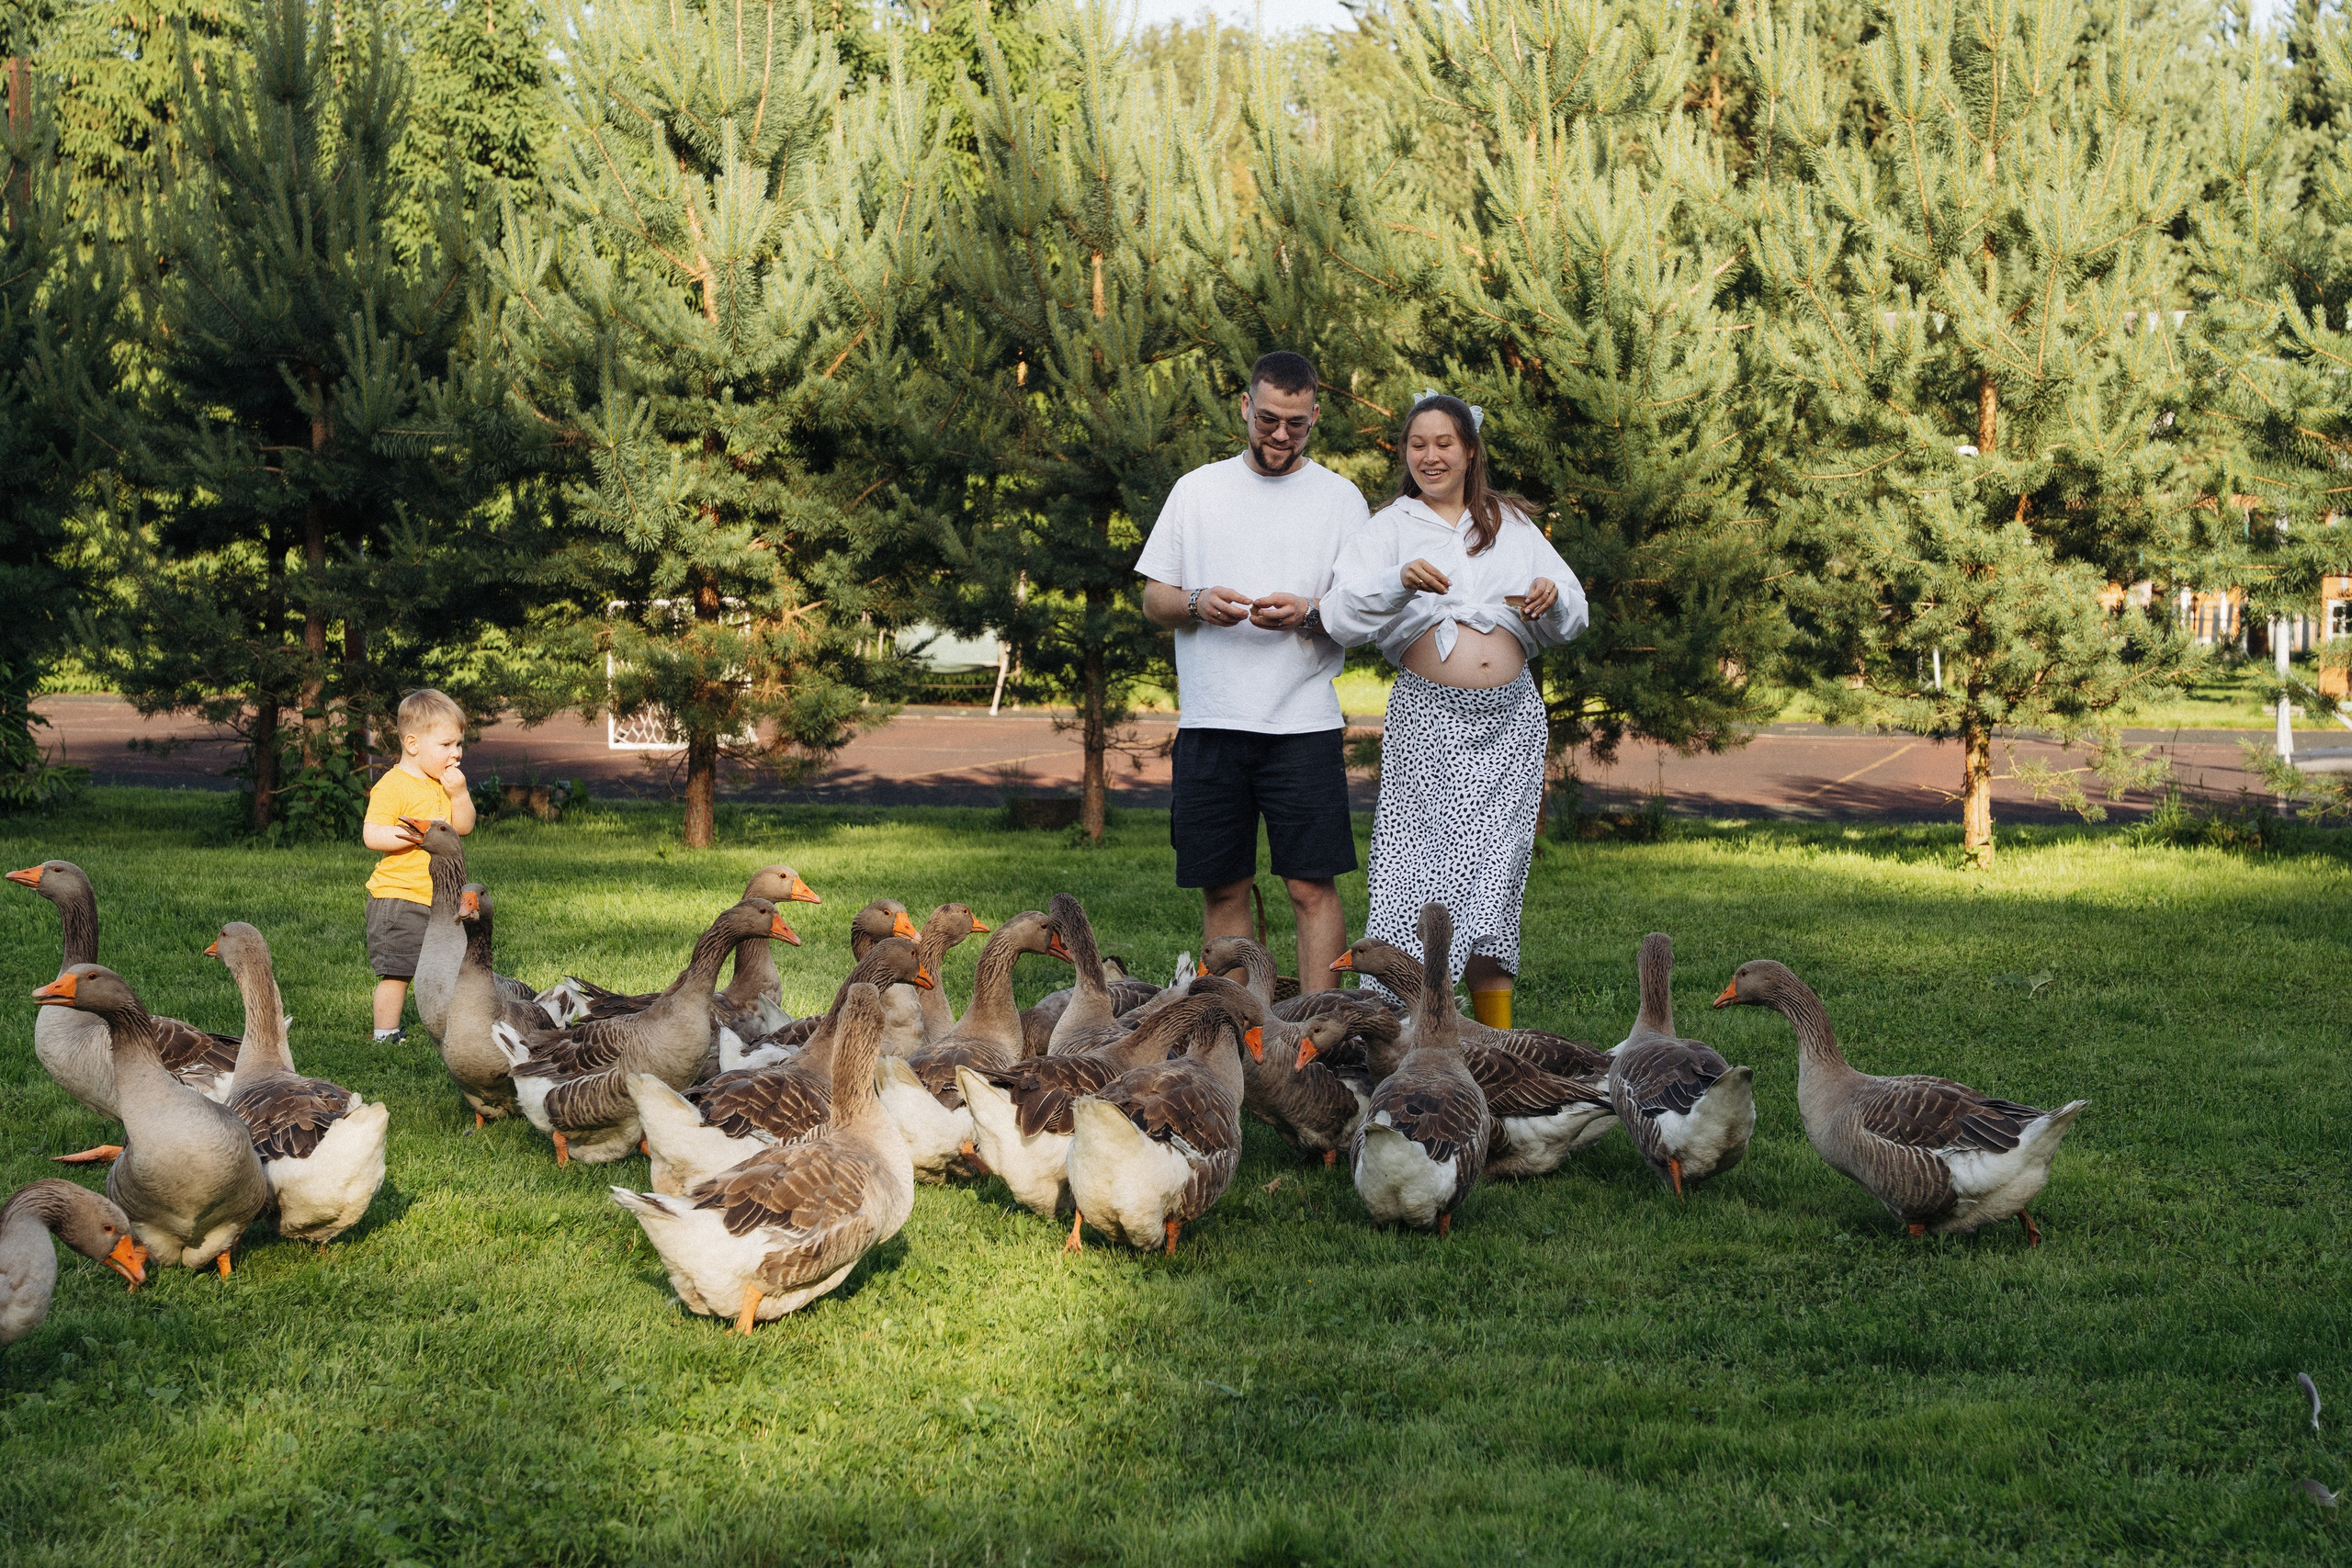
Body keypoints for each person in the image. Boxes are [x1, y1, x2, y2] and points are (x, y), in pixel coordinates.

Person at [1322, 392, 1588, 1029]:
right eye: (1419, 444)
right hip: (1430, 725)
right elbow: (1337, 616)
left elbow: (1573, 616)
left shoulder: (1510, 525)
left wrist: (1551, 599)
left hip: (1509, 728)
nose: (1431, 455)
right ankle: (1407, 1034)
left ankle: (1495, 1053)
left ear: (1470, 449)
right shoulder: (1389, 527)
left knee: (1495, 881)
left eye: (1445, 443)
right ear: (1405, 451)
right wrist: (1400, 582)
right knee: (1418, 874)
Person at [1136, 351, 1369, 987]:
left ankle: (1318, 1038)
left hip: (1302, 723)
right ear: (1245, 407)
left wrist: (1310, 613)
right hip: (1212, 720)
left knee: (1310, 888)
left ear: (1315, 416)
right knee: (1224, 888)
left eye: (1297, 423)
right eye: (1268, 418)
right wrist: (1195, 601)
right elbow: (1154, 596)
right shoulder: (1197, 490)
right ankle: (1234, 1037)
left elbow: (1361, 614)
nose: (1280, 435)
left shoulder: (1342, 500)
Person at [359, 688, 476, 1042]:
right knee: (398, 971)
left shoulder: (445, 785)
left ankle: (448, 1025)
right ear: (413, 744)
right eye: (446, 745)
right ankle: (385, 1033)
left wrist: (459, 795)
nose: (455, 753)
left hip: (440, 900)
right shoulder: (393, 786)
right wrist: (411, 836)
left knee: (447, 966)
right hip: (398, 899)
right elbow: (371, 834)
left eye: (458, 745)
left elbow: (465, 827)